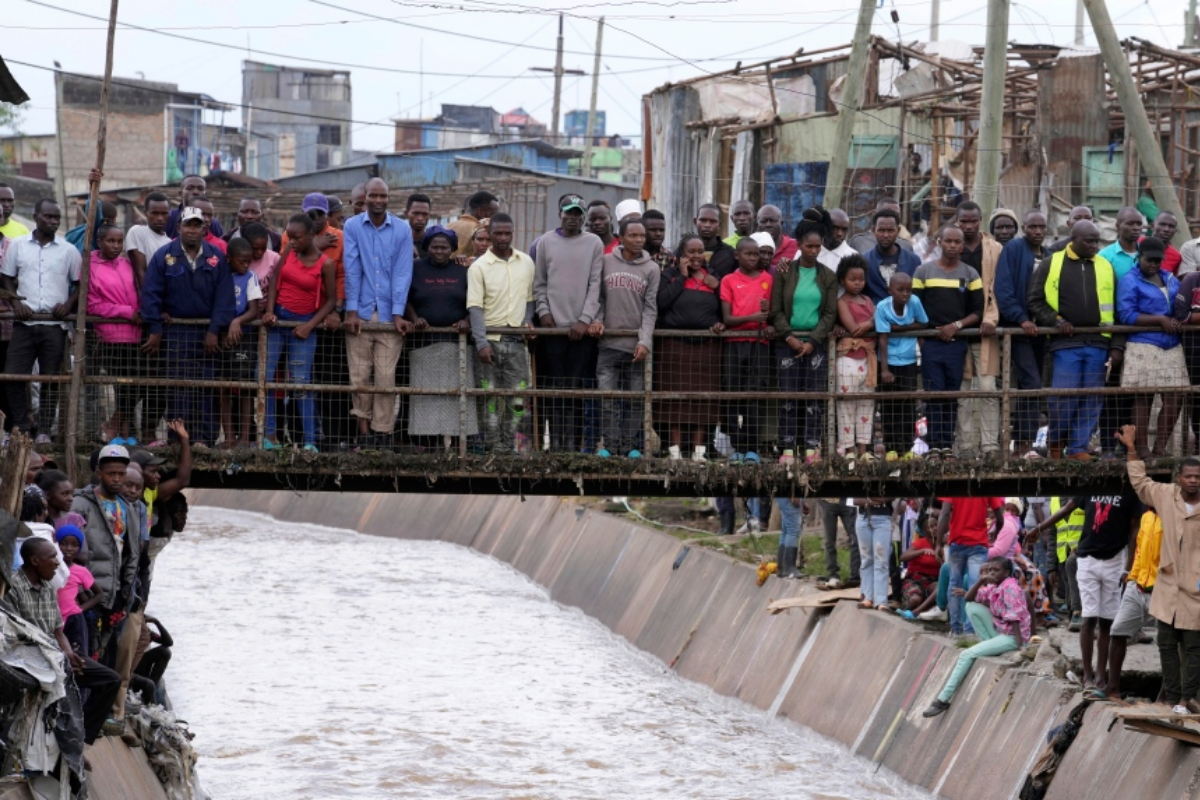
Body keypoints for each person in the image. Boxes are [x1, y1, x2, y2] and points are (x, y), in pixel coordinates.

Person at [7, 537, 121, 745]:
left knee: (110, 680)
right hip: (30, 657)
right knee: (63, 683)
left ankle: (80, 740)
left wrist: (68, 653)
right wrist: (60, 657)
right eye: (52, 558)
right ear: (34, 560)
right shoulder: (13, 587)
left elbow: (58, 631)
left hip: (56, 654)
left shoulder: (48, 588)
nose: (57, 563)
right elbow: (16, 634)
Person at [1120, 425, 1200, 714]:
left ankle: (1187, 699)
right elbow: (1140, 483)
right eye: (1189, 476)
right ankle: (1174, 698)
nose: (1193, 481)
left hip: (1196, 589)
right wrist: (1131, 448)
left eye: (1197, 477)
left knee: (1194, 647)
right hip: (1167, 585)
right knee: (1166, 644)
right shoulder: (1167, 496)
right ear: (1179, 478)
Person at [140, 207, 236, 447]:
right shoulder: (164, 256)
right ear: (178, 228)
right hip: (176, 333)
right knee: (178, 388)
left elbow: (225, 298)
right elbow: (151, 294)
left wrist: (214, 330)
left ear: (204, 229)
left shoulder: (216, 257)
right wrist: (156, 328)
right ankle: (177, 439)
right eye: (187, 225)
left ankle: (204, 439)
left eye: (197, 225)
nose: (192, 230)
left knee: (206, 387)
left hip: (207, 333)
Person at [1027, 220, 1122, 460]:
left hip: (1099, 343)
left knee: (1092, 398)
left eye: (1097, 241)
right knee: (1063, 396)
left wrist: (1116, 345)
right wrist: (1056, 320)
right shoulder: (1051, 263)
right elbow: (1034, 300)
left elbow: (1118, 308)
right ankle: (1056, 442)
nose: (1094, 245)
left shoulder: (1105, 266)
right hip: (1065, 343)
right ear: (1073, 239)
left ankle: (1078, 448)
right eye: (1089, 241)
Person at [0, 198, 81, 444]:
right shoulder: (18, 246)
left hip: (54, 326)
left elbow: (80, 283)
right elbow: (6, 278)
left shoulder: (69, 250)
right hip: (24, 323)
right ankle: (22, 427)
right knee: (13, 376)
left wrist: (67, 305)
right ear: (36, 217)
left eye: (57, 217)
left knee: (50, 379)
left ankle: (44, 430)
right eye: (48, 216)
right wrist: (16, 304)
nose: (53, 221)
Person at [343, 177, 415, 449]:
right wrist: (351, 311)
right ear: (365, 197)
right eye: (373, 195)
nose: (378, 200)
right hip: (360, 314)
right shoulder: (352, 226)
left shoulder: (402, 229)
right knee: (359, 375)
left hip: (388, 315)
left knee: (385, 377)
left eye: (382, 196)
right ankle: (363, 433)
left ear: (388, 198)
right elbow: (352, 268)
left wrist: (397, 313)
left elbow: (402, 273)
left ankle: (382, 432)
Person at [533, 194, 604, 452]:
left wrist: (585, 320)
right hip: (552, 329)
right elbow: (539, 283)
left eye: (577, 214)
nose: (573, 218)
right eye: (568, 213)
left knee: (575, 389)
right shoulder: (545, 242)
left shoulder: (593, 243)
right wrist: (543, 312)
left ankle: (573, 448)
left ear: (583, 217)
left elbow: (595, 285)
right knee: (554, 388)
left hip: (581, 332)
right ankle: (555, 446)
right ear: (560, 214)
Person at [262, 213, 338, 452]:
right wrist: (270, 311)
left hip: (303, 324)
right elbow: (275, 281)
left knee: (300, 382)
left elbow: (331, 301)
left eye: (297, 238)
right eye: (289, 237)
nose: (292, 242)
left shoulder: (325, 264)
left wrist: (310, 325)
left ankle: (309, 441)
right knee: (264, 376)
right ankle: (269, 435)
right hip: (278, 322)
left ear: (311, 236)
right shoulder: (289, 252)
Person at [769, 209, 838, 464]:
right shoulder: (784, 271)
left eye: (818, 246)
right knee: (788, 396)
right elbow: (775, 311)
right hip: (787, 343)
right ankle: (787, 448)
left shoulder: (828, 276)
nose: (814, 251)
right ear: (799, 245)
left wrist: (812, 342)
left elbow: (829, 314)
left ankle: (811, 448)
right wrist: (789, 337)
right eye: (809, 246)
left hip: (815, 344)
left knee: (814, 396)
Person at [922, 556, 1030, 717]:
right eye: (990, 570)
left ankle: (942, 699)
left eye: (996, 570)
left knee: (966, 654)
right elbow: (969, 598)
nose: (992, 573)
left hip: (1012, 636)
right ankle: (990, 645)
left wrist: (1020, 646)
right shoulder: (995, 585)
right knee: (971, 606)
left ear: (1007, 572)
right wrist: (981, 580)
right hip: (1000, 631)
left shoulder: (1010, 588)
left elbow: (1015, 618)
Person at [587, 217, 659, 458]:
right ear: (621, 237)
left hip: (635, 348)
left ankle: (629, 447)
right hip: (608, 344)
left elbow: (650, 308)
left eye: (642, 236)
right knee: (607, 400)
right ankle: (610, 446)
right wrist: (596, 320)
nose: (639, 240)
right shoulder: (606, 262)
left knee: (635, 400)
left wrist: (644, 341)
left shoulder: (651, 268)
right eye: (633, 235)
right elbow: (598, 297)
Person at [281, 193, 347, 447]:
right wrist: (314, 244)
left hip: (327, 318)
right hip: (299, 316)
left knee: (328, 377)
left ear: (327, 214)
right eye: (311, 213)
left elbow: (342, 276)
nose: (316, 218)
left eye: (320, 213)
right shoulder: (289, 235)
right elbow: (284, 266)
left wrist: (336, 309)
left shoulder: (340, 237)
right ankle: (299, 436)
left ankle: (331, 438)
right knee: (298, 378)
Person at [912, 226, 983, 459]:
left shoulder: (970, 273)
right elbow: (915, 309)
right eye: (948, 241)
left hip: (956, 344)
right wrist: (923, 340)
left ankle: (947, 446)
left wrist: (957, 326)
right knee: (933, 394)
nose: (952, 245)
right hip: (931, 345)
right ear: (939, 242)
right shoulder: (923, 271)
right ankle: (934, 446)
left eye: (957, 242)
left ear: (962, 246)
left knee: (952, 395)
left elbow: (978, 311)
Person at [468, 213, 534, 454]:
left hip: (516, 343)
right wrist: (481, 343)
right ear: (490, 234)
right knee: (490, 398)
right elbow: (475, 307)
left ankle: (510, 444)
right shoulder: (479, 267)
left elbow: (529, 300)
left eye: (507, 233)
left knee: (517, 397)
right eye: (498, 233)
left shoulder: (526, 262)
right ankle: (494, 446)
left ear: (513, 233)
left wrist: (527, 321)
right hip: (490, 343)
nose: (503, 238)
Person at [1115, 236, 1186, 459]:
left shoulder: (1169, 278)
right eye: (1149, 260)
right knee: (1143, 397)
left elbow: (1179, 305)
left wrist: (1177, 319)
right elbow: (1126, 315)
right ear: (1139, 257)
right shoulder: (1130, 280)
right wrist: (1160, 320)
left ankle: (1160, 447)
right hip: (1142, 342)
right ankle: (1143, 448)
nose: (1154, 264)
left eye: (1158, 260)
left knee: (1175, 395)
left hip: (1171, 343)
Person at [404, 226, 476, 444]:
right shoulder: (415, 267)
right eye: (434, 247)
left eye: (444, 247)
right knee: (426, 396)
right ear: (427, 248)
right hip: (423, 343)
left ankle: (457, 446)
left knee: (457, 396)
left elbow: (476, 299)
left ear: (453, 249)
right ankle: (428, 446)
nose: (439, 251)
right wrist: (415, 317)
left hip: (457, 344)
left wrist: (467, 320)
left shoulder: (463, 269)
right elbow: (404, 297)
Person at [655, 234, 723, 461]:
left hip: (706, 348)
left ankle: (699, 452)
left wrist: (718, 288)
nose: (696, 256)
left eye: (700, 251)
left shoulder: (713, 276)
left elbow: (726, 307)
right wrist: (682, 277)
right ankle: (675, 451)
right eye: (691, 251)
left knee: (703, 401)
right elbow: (662, 302)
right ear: (681, 254)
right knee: (675, 401)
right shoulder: (669, 275)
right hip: (675, 347)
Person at [993, 209, 1049, 458]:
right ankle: (1023, 442)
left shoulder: (1048, 254)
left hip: (1041, 329)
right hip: (1019, 327)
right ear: (1023, 228)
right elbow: (1003, 288)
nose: (1037, 231)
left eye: (1041, 227)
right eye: (1032, 227)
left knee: (1032, 383)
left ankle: (1025, 442)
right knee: (1030, 382)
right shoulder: (1014, 249)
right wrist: (1021, 318)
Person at [953, 201, 1003, 460]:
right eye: (964, 221)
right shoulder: (951, 246)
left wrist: (991, 318)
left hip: (986, 331)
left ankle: (990, 446)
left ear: (980, 221)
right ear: (957, 221)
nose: (968, 226)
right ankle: (965, 446)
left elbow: (998, 287)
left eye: (973, 221)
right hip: (957, 330)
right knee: (963, 391)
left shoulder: (994, 249)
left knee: (988, 388)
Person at [721, 237, 774, 462]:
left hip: (759, 344)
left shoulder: (768, 279)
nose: (753, 258)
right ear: (737, 255)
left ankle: (752, 447)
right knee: (733, 393)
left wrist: (768, 320)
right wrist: (753, 317)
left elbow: (773, 313)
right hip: (734, 343)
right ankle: (736, 446)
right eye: (748, 254)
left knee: (755, 394)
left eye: (756, 254)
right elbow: (727, 318)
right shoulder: (729, 280)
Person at [88, 223, 141, 444]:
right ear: (100, 242)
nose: (116, 246)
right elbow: (92, 305)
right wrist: (127, 312)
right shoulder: (90, 266)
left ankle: (119, 428)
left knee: (135, 385)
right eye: (111, 241)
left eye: (120, 241)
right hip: (111, 336)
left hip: (136, 334)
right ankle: (122, 432)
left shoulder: (127, 264)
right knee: (123, 385)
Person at [1106, 507, 1161, 699]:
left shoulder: (1173, 516)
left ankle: (1167, 695)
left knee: (1169, 642)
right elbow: (1139, 551)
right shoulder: (1146, 517)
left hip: (1162, 588)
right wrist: (1132, 577)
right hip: (1138, 584)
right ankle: (1112, 688)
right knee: (1118, 631)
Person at [874, 272, 928, 459]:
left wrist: (899, 328)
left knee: (907, 406)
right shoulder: (882, 307)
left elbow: (923, 323)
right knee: (888, 406)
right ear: (890, 290)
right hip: (888, 361)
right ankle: (891, 448)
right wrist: (885, 369)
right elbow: (882, 337)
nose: (905, 294)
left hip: (908, 360)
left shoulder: (914, 302)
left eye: (908, 290)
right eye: (900, 290)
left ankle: (906, 448)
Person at [941, 496, 1004, 636]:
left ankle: (956, 629)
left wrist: (938, 542)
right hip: (978, 543)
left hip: (957, 541)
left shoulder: (951, 485)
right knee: (976, 586)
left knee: (954, 584)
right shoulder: (987, 486)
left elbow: (945, 513)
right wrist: (995, 535)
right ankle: (971, 631)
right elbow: (1000, 518)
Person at [220, 237, 262, 449]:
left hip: (244, 336)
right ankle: (228, 436)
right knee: (222, 386)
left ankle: (245, 437)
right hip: (222, 335)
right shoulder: (221, 275)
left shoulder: (250, 277)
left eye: (248, 261)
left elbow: (254, 310)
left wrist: (237, 321)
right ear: (229, 259)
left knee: (245, 386)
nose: (246, 265)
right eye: (241, 261)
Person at [834, 254, 876, 462]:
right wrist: (870, 323)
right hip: (848, 359)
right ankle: (849, 449)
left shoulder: (868, 301)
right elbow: (854, 328)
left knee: (867, 403)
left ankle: (863, 449)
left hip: (868, 359)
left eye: (861, 279)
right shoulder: (841, 302)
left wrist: (871, 322)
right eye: (852, 279)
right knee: (846, 405)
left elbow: (879, 318)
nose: (858, 283)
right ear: (842, 280)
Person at [54, 525, 101, 656]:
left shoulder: (81, 571)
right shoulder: (50, 568)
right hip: (53, 619)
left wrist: (80, 609)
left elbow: (99, 594)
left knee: (78, 657)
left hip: (73, 620)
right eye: (64, 544)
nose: (69, 548)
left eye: (74, 545)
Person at [862, 208, 921, 304]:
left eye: (890, 230)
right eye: (881, 230)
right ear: (873, 231)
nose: (886, 235)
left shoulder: (913, 261)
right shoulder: (864, 260)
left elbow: (917, 294)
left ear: (898, 231)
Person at [125, 192, 173, 286]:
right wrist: (149, 295)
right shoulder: (137, 232)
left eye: (164, 213)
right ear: (145, 213)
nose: (160, 218)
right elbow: (140, 272)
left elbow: (170, 271)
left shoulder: (170, 243)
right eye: (155, 213)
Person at [856, 498, 894, 610]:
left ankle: (881, 601)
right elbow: (856, 501)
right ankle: (868, 597)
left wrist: (867, 500)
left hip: (883, 519)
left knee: (881, 560)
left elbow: (890, 497)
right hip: (863, 518)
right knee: (866, 559)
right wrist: (879, 501)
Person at [165, 174, 224, 239]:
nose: (195, 192)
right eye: (190, 188)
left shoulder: (213, 224)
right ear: (181, 193)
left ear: (205, 194)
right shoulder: (169, 218)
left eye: (200, 189)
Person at [849, 197, 914, 253]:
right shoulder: (858, 242)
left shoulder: (906, 246)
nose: (890, 218)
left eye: (896, 215)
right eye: (885, 213)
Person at [899, 528, 941, 612]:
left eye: (937, 525)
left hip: (933, 582)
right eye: (931, 526)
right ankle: (908, 609)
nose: (934, 528)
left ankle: (919, 611)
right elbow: (903, 557)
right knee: (915, 599)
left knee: (940, 590)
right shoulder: (920, 543)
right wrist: (922, 551)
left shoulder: (945, 546)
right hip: (914, 580)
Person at [447, 191, 499, 258]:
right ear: (480, 212)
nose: (495, 218)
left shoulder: (448, 226)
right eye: (493, 214)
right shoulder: (479, 231)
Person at [36, 469, 86, 533]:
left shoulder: (75, 519)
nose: (71, 498)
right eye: (65, 494)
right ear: (48, 495)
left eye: (71, 493)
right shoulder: (38, 523)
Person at [695, 203, 737, 279]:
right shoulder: (683, 252)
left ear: (720, 225)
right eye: (703, 220)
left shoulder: (731, 255)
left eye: (713, 221)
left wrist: (718, 284)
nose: (707, 225)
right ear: (695, 222)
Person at [756, 204, 797, 269]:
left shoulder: (796, 246)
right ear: (757, 224)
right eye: (763, 221)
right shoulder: (751, 247)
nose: (768, 225)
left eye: (772, 221)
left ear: (781, 223)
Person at [817, 208, 855, 272]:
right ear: (824, 227)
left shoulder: (853, 257)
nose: (840, 234)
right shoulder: (807, 253)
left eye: (844, 230)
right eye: (835, 228)